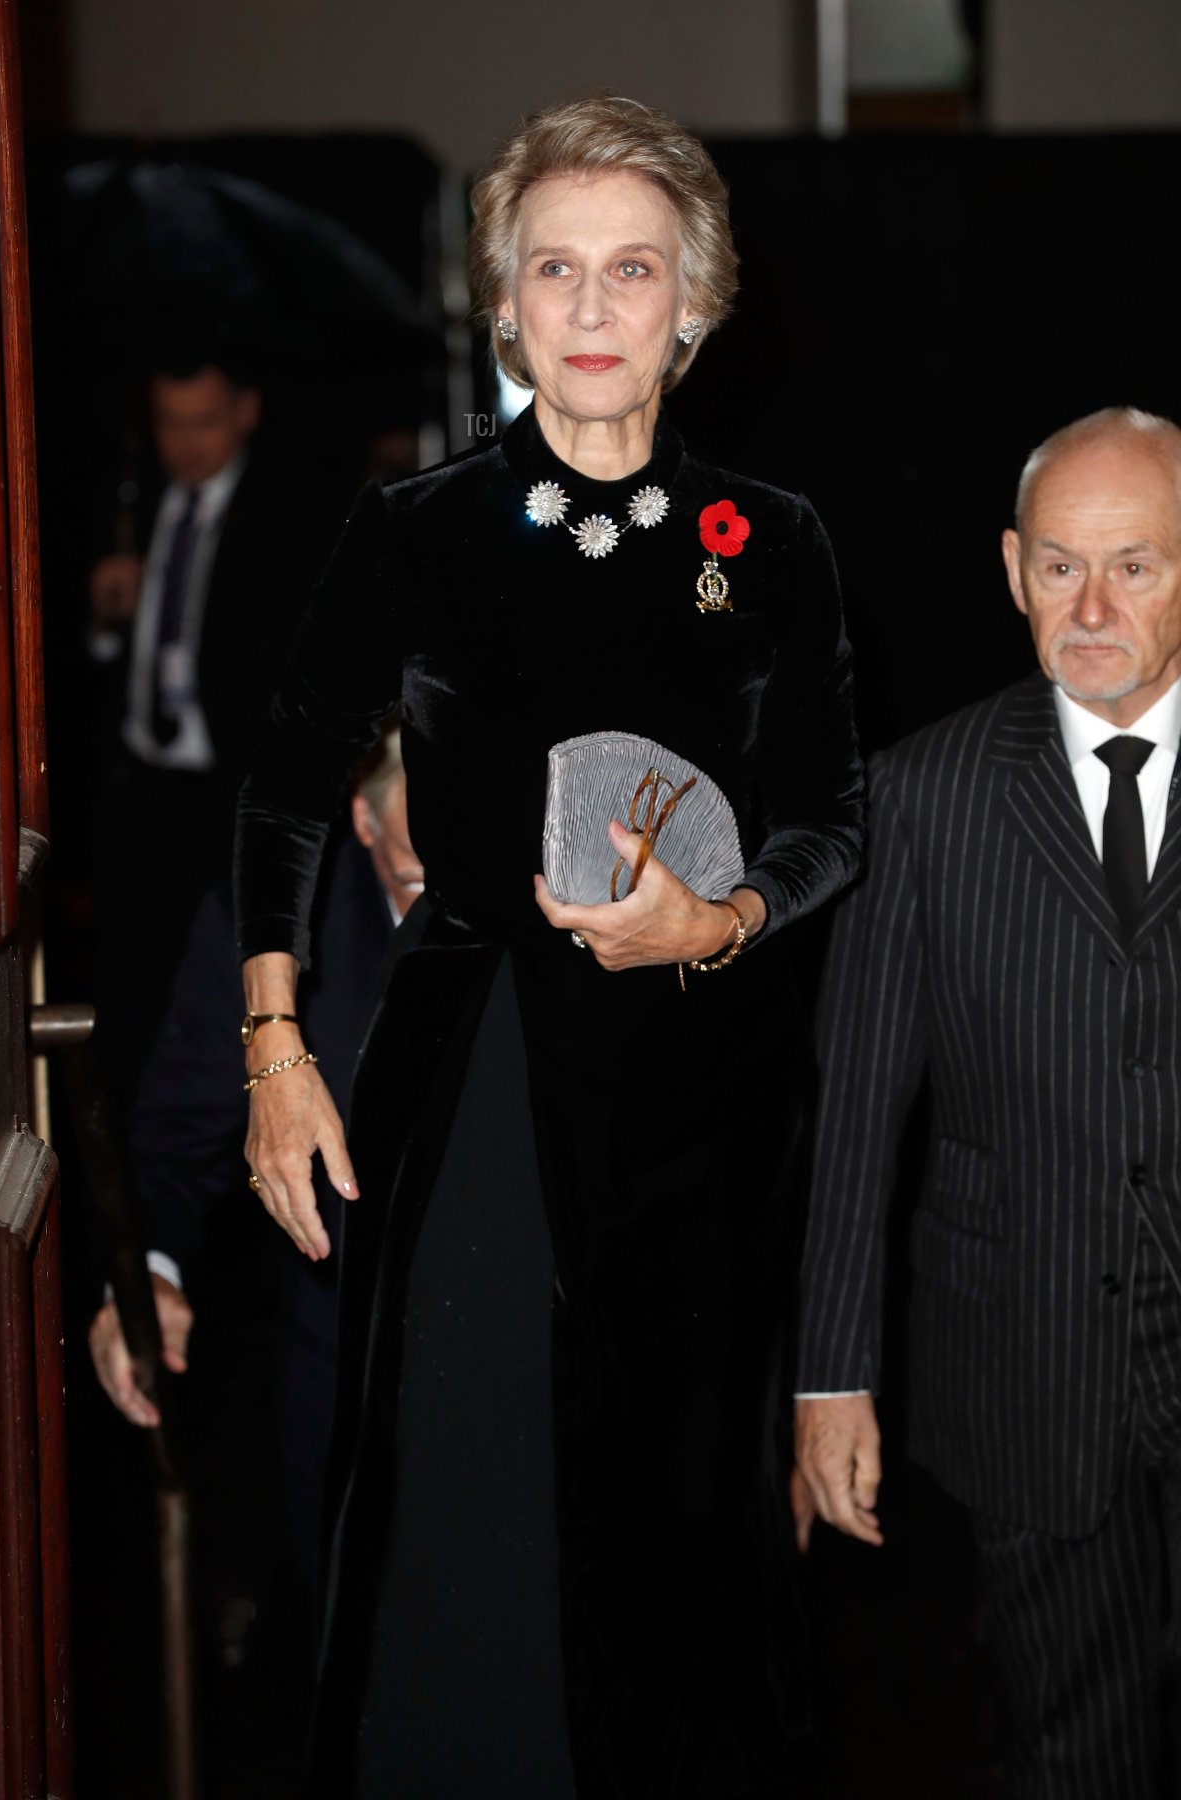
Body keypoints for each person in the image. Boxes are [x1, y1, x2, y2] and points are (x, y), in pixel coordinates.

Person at [236, 95, 864, 1798]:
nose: (594, 311)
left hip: (701, 1097)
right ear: (503, 305)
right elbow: (289, 794)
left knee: (680, 1534)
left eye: (634, 271)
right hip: (479, 1077)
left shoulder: (774, 542)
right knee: (471, 1507)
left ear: (695, 305)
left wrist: (713, 921)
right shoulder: (416, 530)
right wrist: (277, 1057)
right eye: (557, 271)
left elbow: (831, 828)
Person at [796, 407, 1181, 1798]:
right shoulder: (920, 800)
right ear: (1013, 570)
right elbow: (853, 1118)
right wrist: (829, 1379)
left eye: (1134, 567)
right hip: (1028, 1384)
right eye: (1061, 567)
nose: (1090, 607)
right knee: (1075, 1756)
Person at [88, 732, 422, 1586]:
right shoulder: (260, 924)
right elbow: (175, 1142)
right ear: (363, 817)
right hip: (342, 1383)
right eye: (418, 872)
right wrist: (149, 1275)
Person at [88, 347, 345, 1112]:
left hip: (237, 796)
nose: (186, 442)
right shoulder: (126, 507)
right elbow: (94, 671)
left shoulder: (289, 518)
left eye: (203, 421)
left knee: (234, 994)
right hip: (144, 792)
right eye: (171, 423)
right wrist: (105, 621)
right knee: (133, 1000)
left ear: (245, 412)